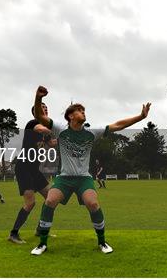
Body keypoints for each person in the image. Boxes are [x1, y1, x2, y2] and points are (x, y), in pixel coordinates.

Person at [31, 85, 151, 255]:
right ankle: (42, 244)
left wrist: (141, 116)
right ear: (71, 116)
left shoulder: (92, 131)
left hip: (83, 178)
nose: (83, 112)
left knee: (93, 204)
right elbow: (40, 116)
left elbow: (118, 125)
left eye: (84, 110)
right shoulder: (59, 129)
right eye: (79, 110)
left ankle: (102, 242)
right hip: (64, 178)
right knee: (50, 201)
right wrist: (38, 98)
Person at [8, 102, 56, 244]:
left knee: (51, 198)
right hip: (23, 168)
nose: (46, 110)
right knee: (30, 203)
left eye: (47, 108)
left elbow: (52, 143)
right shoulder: (33, 124)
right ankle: (13, 234)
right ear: (36, 112)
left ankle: (40, 229)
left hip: (35, 169)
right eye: (42, 109)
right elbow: (42, 129)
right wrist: (56, 127)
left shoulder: (45, 130)